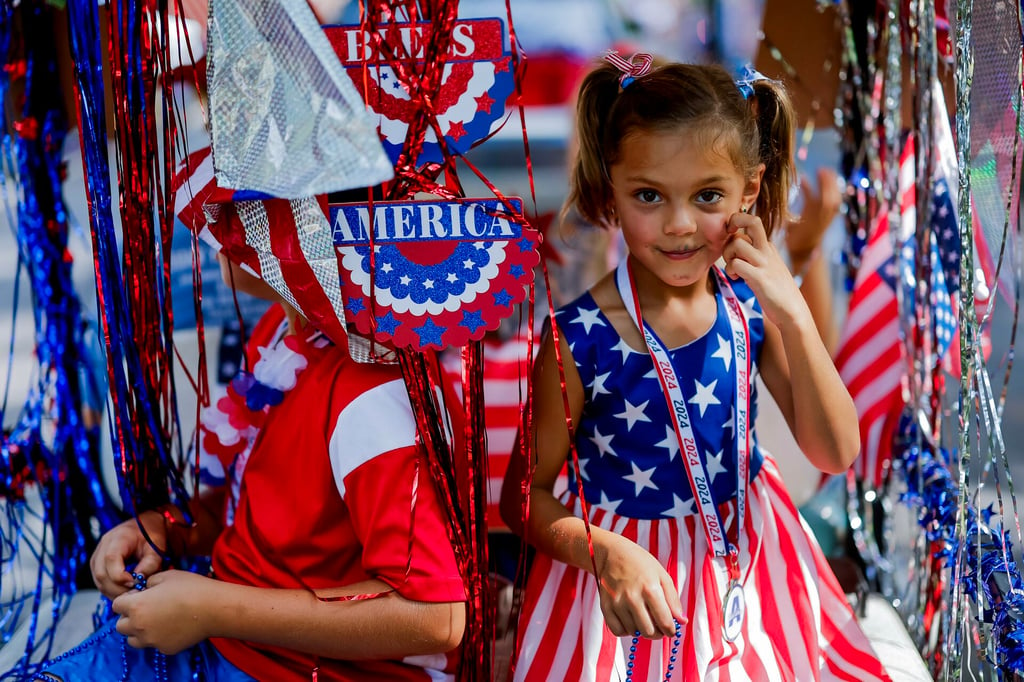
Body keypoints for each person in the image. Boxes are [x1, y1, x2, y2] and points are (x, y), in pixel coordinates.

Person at [500, 53, 890, 681]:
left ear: (750, 191)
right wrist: (603, 553)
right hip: (623, 597)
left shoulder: (750, 310)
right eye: (648, 195)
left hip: (749, 571)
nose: (679, 225)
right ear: (610, 191)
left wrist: (791, 309)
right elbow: (523, 498)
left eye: (707, 195)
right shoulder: (577, 339)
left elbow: (835, 451)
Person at [33, 245, 467, 681]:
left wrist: (214, 609)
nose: (212, 224)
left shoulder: (374, 392)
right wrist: (165, 528)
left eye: (241, 204)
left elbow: (434, 618)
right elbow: (258, 511)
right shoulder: (282, 331)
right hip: (236, 639)